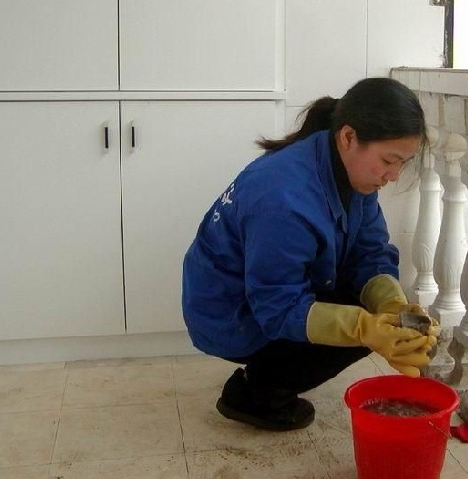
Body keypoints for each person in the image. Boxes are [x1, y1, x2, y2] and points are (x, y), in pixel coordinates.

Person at [181, 77, 439, 432]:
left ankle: (271, 374)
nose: (393, 176)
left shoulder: (347, 168)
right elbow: (277, 308)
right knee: (361, 324)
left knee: (373, 314)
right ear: (349, 137)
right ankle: (258, 393)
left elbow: (370, 251)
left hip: (262, 292)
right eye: (388, 160)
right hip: (230, 313)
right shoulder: (283, 198)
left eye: (402, 163)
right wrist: (365, 328)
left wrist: (393, 306)